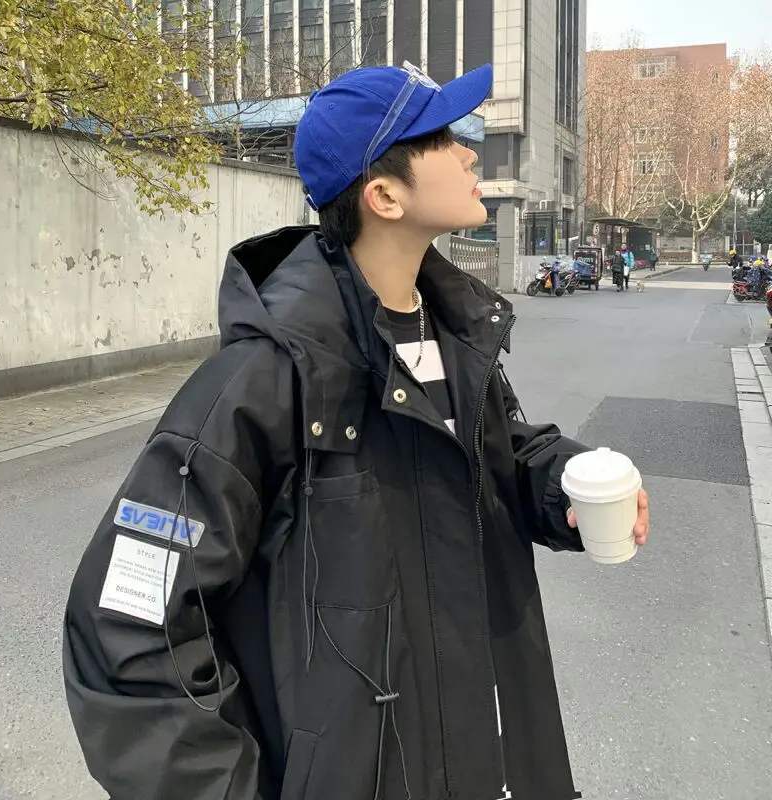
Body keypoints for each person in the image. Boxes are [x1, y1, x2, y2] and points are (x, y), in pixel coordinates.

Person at [63, 61, 650, 800]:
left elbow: (499, 452)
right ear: (384, 195)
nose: (469, 153)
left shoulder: (456, 335)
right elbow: (127, 631)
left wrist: (564, 482)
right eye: (442, 138)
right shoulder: (264, 380)